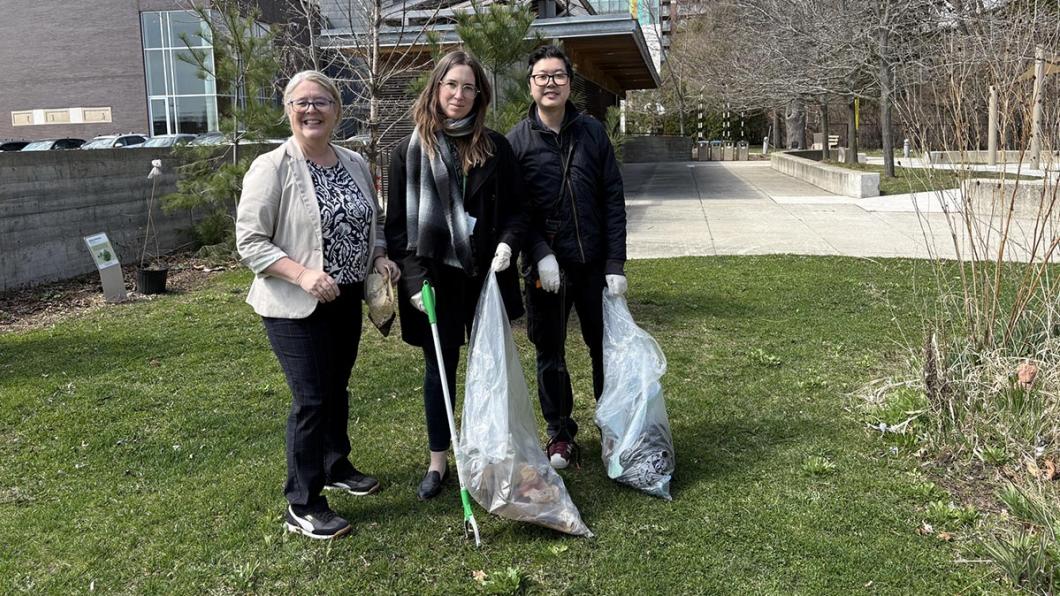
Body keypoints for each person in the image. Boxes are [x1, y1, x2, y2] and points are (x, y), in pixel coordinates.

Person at [236, 70, 400, 540]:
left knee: (337, 387)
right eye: (301, 102)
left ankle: (335, 464)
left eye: (322, 102)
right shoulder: (272, 167)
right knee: (311, 398)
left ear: (337, 110)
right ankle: (303, 502)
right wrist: (303, 273)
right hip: (293, 303)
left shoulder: (354, 162)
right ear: (289, 110)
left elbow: (374, 219)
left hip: (346, 297)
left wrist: (381, 254)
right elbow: (250, 242)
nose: (312, 110)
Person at [385, 50, 527, 500]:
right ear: (436, 88)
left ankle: (492, 451)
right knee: (439, 371)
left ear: (479, 94)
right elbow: (397, 230)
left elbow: (518, 212)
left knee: (490, 366)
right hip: (434, 279)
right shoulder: (408, 152)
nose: (459, 95)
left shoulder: (496, 148)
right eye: (451, 85)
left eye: (468, 87)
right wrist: (411, 282)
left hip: (487, 277)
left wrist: (508, 244)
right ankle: (438, 461)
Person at [507, 45, 628, 470]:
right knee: (550, 352)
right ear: (531, 85)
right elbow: (517, 211)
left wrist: (615, 264)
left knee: (604, 348)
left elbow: (613, 198)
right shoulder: (516, 143)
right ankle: (560, 433)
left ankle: (612, 424)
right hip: (546, 270)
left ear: (570, 84)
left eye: (558, 76)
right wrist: (540, 254)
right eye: (542, 76)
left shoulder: (592, 133)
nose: (550, 83)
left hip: (593, 263)